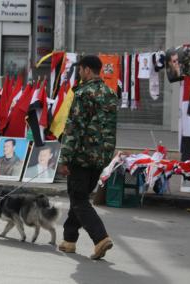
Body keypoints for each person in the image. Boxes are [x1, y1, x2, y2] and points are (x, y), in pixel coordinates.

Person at [58, 55, 117, 260]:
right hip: (101, 156)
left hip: (81, 156)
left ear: (87, 70)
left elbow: (74, 127)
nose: (80, 73)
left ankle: (100, 238)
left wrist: (64, 158)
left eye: (81, 70)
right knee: (79, 198)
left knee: (79, 199)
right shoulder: (110, 93)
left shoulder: (83, 93)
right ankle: (69, 240)